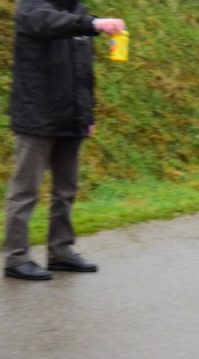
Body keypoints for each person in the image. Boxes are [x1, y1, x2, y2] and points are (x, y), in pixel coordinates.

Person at [3, 0, 126, 280]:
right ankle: (16, 257)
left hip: (71, 118)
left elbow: (84, 73)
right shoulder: (31, 7)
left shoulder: (78, 12)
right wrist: (94, 24)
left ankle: (60, 251)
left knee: (66, 190)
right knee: (25, 192)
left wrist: (88, 114)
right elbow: (48, 23)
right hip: (36, 117)